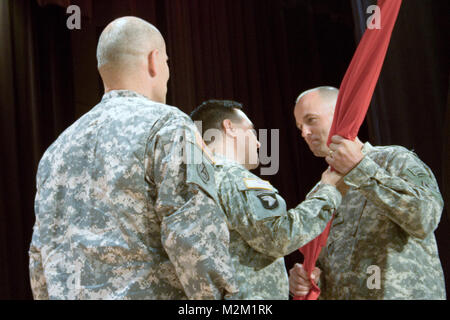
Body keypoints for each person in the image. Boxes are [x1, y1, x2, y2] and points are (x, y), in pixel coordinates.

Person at [29, 17, 241, 300]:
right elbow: (195, 237)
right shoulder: (168, 126)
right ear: (155, 61)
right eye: (167, 62)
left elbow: (39, 256)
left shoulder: (56, 151)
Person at [290, 86, 446, 299]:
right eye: (300, 126)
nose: (304, 132)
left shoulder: (395, 160)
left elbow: (426, 218)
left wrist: (361, 169)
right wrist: (308, 279)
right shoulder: (319, 193)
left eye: (311, 120)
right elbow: (321, 265)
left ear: (341, 114)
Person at [190, 100, 343, 299]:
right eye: (252, 131)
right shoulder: (234, 179)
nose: (259, 142)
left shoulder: (192, 183)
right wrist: (328, 190)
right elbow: (279, 237)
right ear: (230, 128)